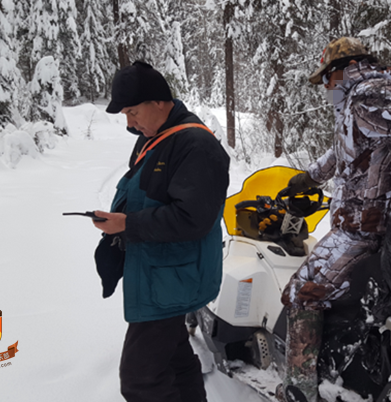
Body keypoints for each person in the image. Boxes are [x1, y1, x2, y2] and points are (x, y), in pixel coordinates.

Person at [278, 38, 391, 402]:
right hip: (367, 225)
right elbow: (351, 151)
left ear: (343, 69)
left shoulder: (365, 93)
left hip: (364, 230)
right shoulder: (363, 100)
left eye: (325, 79)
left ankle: (299, 389)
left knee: (301, 293)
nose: (324, 88)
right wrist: (310, 177)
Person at [92, 60, 230, 402]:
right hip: (158, 273)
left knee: (140, 380)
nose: (130, 122)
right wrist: (118, 219)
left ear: (158, 101)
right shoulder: (152, 138)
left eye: (132, 111)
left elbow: (192, 219)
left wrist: (128, 224)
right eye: (125, 114)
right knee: (174, 360)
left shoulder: (196, 146)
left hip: (173, 279)